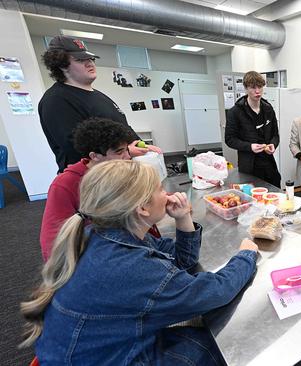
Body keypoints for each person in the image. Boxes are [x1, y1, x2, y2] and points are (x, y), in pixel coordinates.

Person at [21, 160, 259, 365]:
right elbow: (214, 293)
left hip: (92, 350)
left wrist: (183, 218)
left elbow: (181, 262)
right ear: (142, 208)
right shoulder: (128, 265)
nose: (166, 194)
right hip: (101, 359)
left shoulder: (103, 235)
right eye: (159, 189)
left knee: (193, 332)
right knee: (214, 343)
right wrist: (246, 255)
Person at [38, 35, 161, 173]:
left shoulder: (98, 95)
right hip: (91, 182)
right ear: (61, 65)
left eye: (90, 59)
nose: (90, 63)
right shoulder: (56, 100)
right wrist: (126, 151)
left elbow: (122, 127)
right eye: (80, 60)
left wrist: (139, 143)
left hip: (117, 173)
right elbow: (76, 148)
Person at [39, 117, 135, 261]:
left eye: (127, 150)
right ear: (94, 156)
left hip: (120, 245)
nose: (127, 157)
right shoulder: (65, 184)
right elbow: (51, 240)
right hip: (92, 254)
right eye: (119, 152)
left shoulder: (120, 173)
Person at [225, 71, 281, 187]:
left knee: (275, 195)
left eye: (260, 87)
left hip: (269, 164)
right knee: (252, 200)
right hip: (249, 166)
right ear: (245, 88)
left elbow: (275, 135)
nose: (257, 91)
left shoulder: (268, 109)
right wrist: (249, 147)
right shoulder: (235, 112)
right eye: (253, 87)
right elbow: (229, 139)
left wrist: (273, 145)